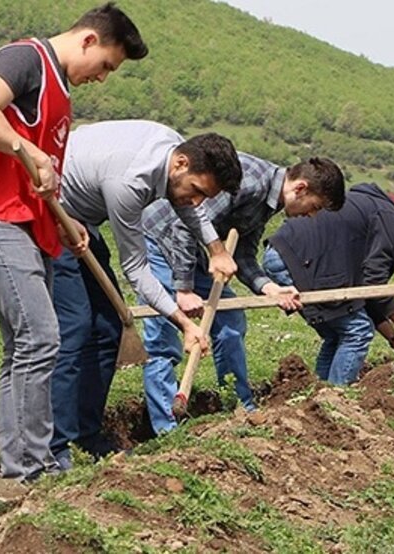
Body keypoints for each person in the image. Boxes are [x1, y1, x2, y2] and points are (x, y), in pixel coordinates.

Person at [0, 3, 147, 481]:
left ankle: (20, 468)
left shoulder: (61, 91)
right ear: (88, 40)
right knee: (41, 338)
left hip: (30, 226)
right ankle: (34, 468)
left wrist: (64, 222)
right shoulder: (26, 59)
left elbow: (37, 180)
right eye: (106, 65)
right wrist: (29, 150)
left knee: (23, 348)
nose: (102, 78)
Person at [51, 120, 242, 467]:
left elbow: (188, 205)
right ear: (181, 163)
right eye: (196, 189)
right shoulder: (130, 181)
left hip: (82, 224)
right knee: (76, 326)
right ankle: (56, 446)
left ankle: (86, 435)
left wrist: (216, 249)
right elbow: (137, 269)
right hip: (53, 218)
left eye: (204, 196)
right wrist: (184, 323)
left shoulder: (174, 151)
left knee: (109, 327)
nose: (196, 201)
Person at [141, 153, 346, 434]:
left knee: (230, 320)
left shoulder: (269, 201)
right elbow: (184, 225)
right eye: (315, 207)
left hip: (190, 249)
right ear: (301, 188)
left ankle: (239, 405)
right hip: (160, 237)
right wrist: (184, 288)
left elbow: (244, 254)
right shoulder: (249, 183)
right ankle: (167, 430)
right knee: (163, 336)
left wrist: (268, 287)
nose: (311, 215)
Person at [263, 185, 394, 385]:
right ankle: (335, 397)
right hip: (297, 259)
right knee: (357, 331)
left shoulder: (384, 214)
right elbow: (375, 286)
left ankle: (321, 393)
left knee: (338, 332)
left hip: (285, 252)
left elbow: (368, 295)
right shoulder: (393, 222)